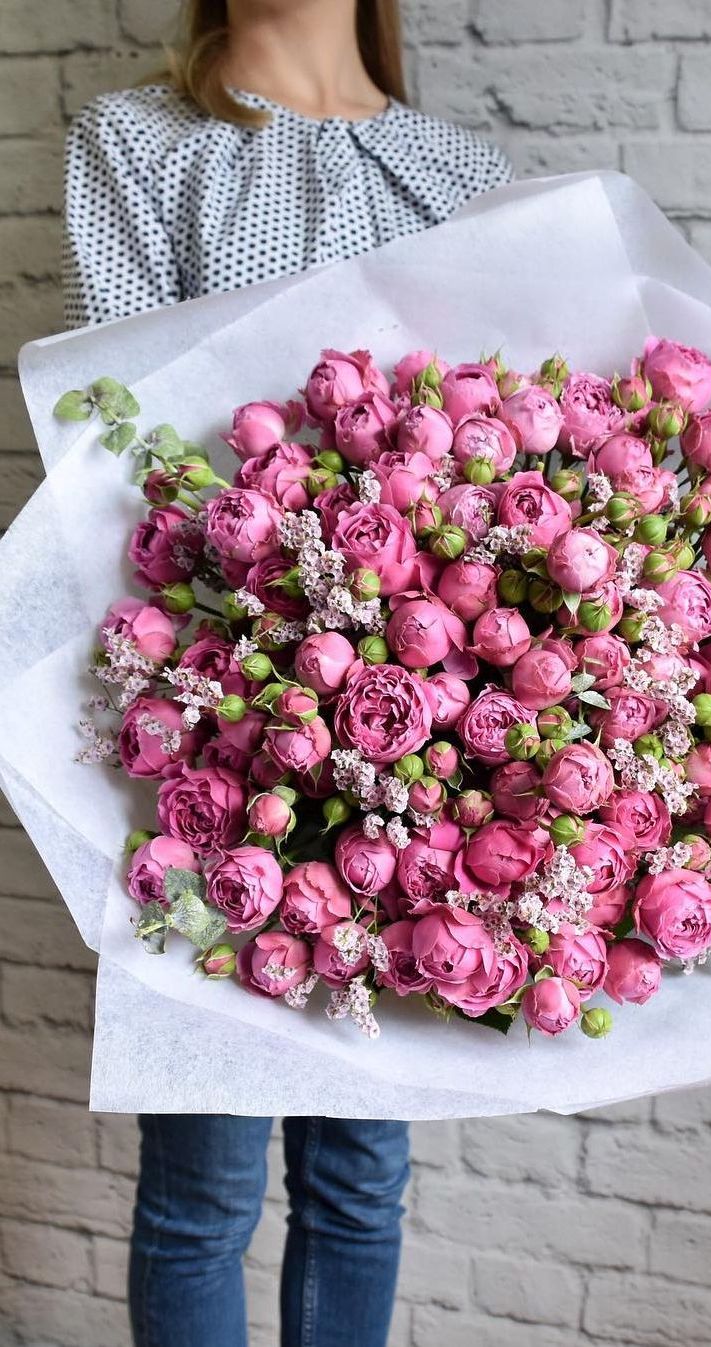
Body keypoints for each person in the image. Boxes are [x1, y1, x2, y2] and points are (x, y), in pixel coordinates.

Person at [59, 3, 513, 1345]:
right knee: (203, 1189)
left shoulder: (459, 174)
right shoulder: (144, 144)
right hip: (212, 730)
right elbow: (122, 454)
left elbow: (492, 454)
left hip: (419, 750)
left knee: (361, 1182)